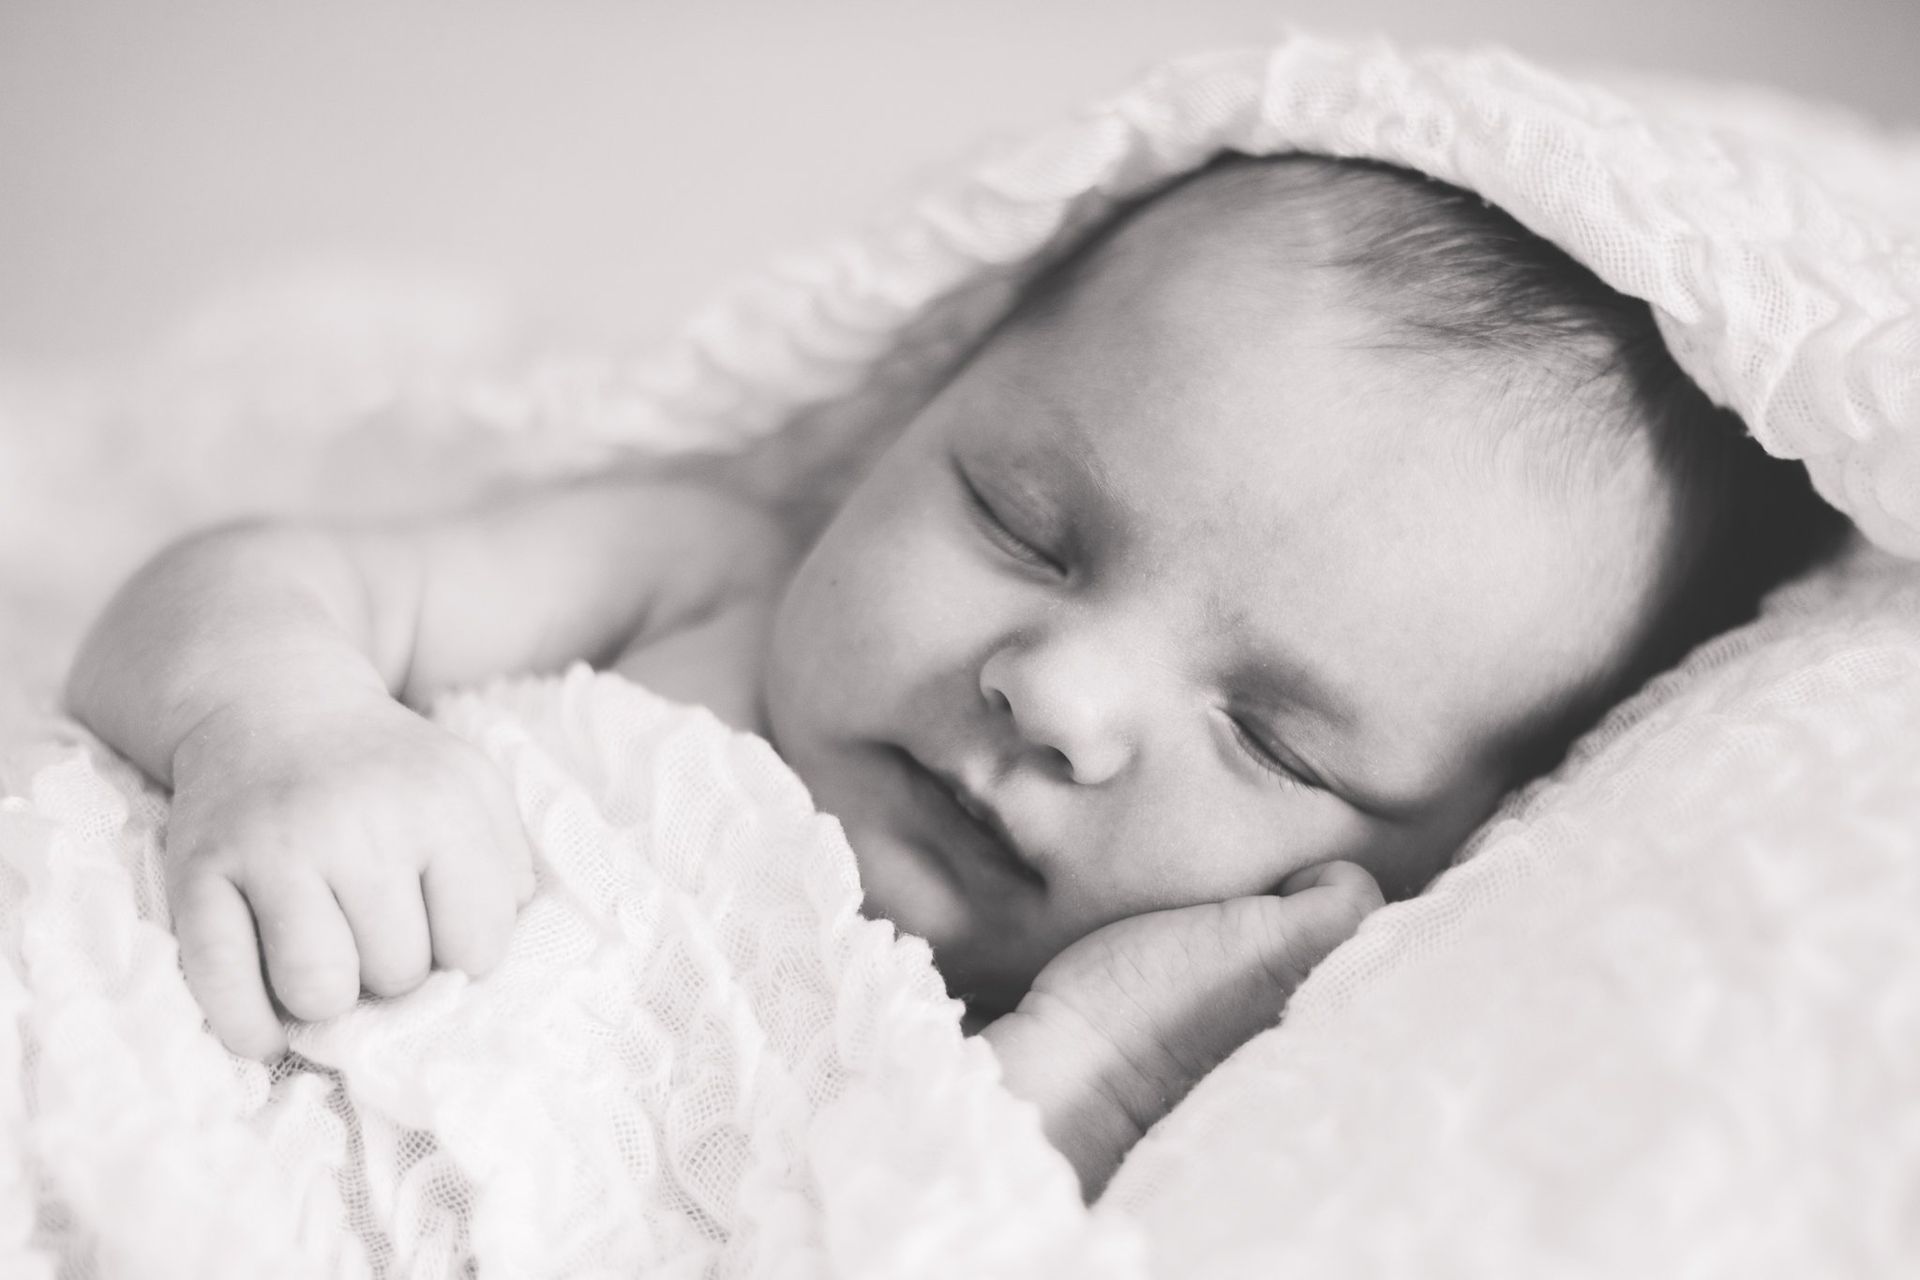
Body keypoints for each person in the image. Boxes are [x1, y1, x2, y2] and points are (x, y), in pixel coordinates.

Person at [64, 154, 1841, 1197]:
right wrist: (280, 723)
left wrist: (1093, 1062)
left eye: (1275, 735)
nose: (1060, 697)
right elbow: (251, 583)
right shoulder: (701, 583)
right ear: (906, 413)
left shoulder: (1138, 1067)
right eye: (1019, 518)